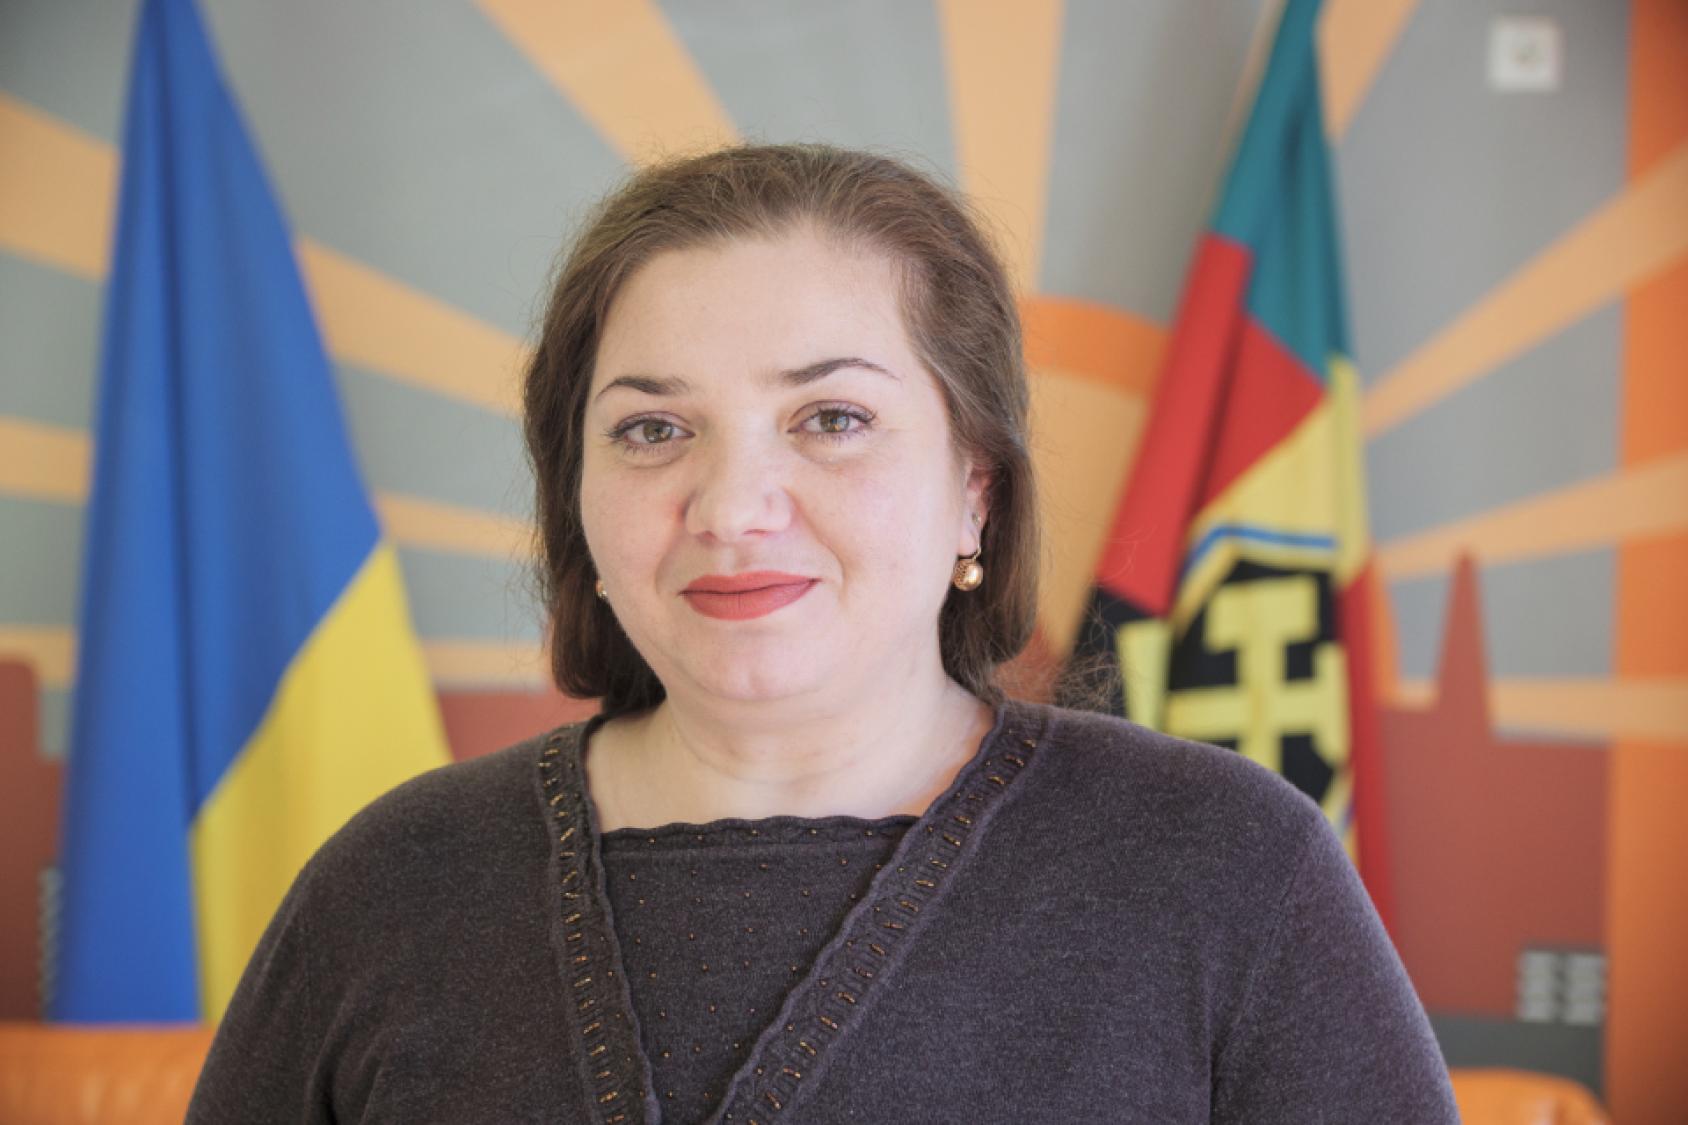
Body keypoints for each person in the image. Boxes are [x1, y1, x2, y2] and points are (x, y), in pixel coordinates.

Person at [188, 144, 1458, 1123]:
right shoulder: (390, 885)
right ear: (572, 495)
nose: (732, 507)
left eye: (831, 419)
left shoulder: (1227, 868)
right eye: (650, 429)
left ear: (976, 483)